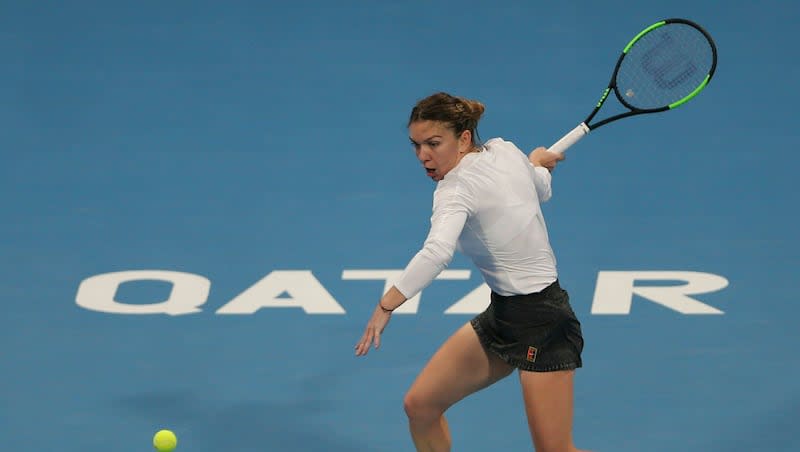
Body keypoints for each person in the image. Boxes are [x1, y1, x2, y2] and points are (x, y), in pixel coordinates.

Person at [355, 92, 587, 452]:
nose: (423, 156)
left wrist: (386, 305)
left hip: (543, 323)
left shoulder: (455, 190)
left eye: (434, 143)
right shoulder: (505, 150)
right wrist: (537, 164)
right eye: (416, 145)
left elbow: (436, 253)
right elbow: (540, 189)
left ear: (463, 139)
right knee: (420, 406)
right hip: (504, 315)